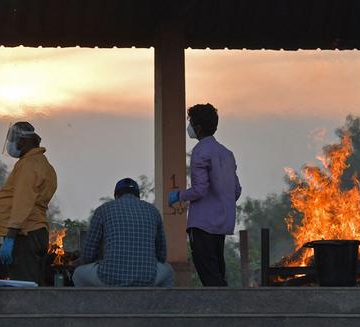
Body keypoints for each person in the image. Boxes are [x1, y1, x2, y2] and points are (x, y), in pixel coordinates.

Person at [169, 103, 242, 286]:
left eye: (191, 122)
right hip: (222, 223)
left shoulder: (200, 151)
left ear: (198, 128)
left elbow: (200, 189)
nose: (190, 127)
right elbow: (236, 190)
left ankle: (218, 311)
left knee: (209, 277)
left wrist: (179, 196)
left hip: (202, 224)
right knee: (218, 271)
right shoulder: (227, 154)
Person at [73, 178, 174, 287]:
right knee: (169, 271)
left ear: (116, 196)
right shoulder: (153, 211)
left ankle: (94, 303)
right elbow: (162, 255)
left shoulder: (103, 210)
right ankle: (160, 304)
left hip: (109, 278)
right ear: (138, 196)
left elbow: (88, 254)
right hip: (147, 278)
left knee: (78, 274)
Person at [0, 121, 57, 285]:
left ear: (22, 141)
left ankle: (26, 312)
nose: (11, 145)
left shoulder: (29, 165)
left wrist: (10, 238)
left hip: (26, 235)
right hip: (34, 232)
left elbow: (23, 201)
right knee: (32, 282)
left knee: (24, 288)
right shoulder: (42, 164)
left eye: (13, 140)